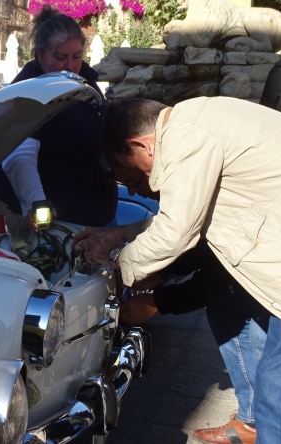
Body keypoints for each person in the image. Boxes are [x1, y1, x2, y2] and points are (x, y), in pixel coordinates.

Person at [82, 96, 281, 443]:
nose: (148, 188)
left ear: (141, 146)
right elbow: (198, 222)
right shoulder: (198, 122)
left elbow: (177, 231)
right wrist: (122, 236)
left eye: (139, 175)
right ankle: (258, 423)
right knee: (253, 343)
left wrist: (119, 273)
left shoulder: (185, 135)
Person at [90, 162, 265, 444]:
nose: (134, 191)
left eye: (135, 180)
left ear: (147, 154)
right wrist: (163, 274)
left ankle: (255, 423)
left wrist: (159, 301)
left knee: (248, 330)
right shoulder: (193, 176)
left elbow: (221, 273)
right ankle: (255, 417)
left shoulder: (191, 177)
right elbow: (205, 246)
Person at [0, 5, 117, 231]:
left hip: (92, 217)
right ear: (40, 55)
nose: (70, 66)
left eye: (77, 56)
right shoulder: (27, 90)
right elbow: (19, 157)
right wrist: (35, 203)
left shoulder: (86, 83)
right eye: (60, 57)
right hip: (52, 224)